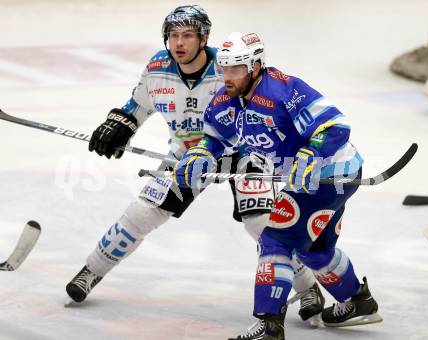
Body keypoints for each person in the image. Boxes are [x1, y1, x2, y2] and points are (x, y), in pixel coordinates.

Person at [65, 6, 323, 323]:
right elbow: (136, 107)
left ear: (204, 38)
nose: (179, 43)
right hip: (188, 156)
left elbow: (267, 102)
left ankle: (308, 286)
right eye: (173, 35)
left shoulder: (227, 67)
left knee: (261, 224)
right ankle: (91, 271)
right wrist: (118, 126)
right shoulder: (157, 69)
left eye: (187, 35)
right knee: (142, 214)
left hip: (243, 154)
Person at [174, 32, 383, 340]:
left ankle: (269, 324)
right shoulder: (227, 100)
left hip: (328, 175)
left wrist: (312, 153)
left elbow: (335, 125)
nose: (227, 76)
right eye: (224, 68)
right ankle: (358, 301)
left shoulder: (285, 90)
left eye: (236, 69)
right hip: (325, 178)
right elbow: (216, 137)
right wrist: (203, 152)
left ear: (256, 66)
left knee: (276, 241)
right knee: (314, 251)